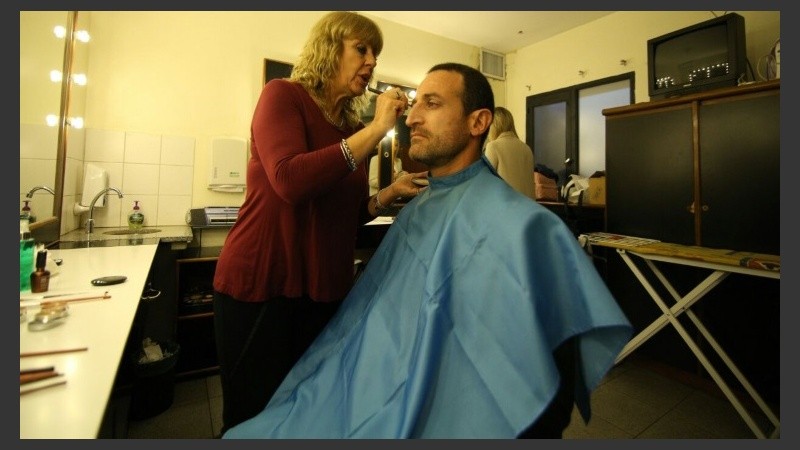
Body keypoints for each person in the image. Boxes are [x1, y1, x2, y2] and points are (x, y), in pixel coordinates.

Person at [223, 63, 632, 438]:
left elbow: (546, 386)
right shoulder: (420, 205)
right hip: (351, 379)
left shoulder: (530, 228)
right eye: (415, 105)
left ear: (479, 122)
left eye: (431, 104)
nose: (412, 117)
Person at [211, 11, 427, 435]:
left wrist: (388, 193)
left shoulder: (347, 127)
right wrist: (378, 127)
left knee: (307, 409)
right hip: (263, 283)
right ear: (330, 48)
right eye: (361, 48)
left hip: (321, 293)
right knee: (254, 414)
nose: (371, 62)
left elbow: (341, 214)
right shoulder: (282, 96)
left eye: (376, 54)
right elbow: (291, 181)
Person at [484, 106, 535, 199]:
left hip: (505, 210)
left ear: (493, 126)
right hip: (527, 210)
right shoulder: (527, 149)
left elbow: (485, 184)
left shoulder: (493, 146)